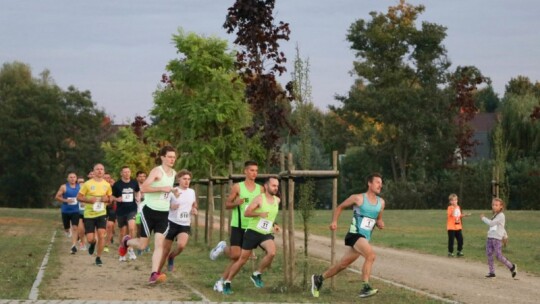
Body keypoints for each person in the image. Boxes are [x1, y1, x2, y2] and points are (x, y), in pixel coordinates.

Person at [311, 173, 385, 299]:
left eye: (381, 183)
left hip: (364, 238)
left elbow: (378, 218)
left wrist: (380, 223)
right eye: (377, 182)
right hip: (355, 234)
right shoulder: (358, 198)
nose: (380, 185)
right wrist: (334, 221)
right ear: (369, 183)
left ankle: (319, 279)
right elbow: (340, 207)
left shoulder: (381, 203)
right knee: (371, 256)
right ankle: (365, 287)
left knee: (342, 265)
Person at [118, 146, 177, 284]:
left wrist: (174, 191)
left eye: (174, 157)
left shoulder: (173, 173)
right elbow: (143, 188)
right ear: (162, 157)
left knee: (159, 244)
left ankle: (153, 274)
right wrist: (162, 188)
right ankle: (126, 242)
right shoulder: (157, 171)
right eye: (169, 156)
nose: (172, 159)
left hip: (163, 213)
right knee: (143, 245)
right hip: (149, 212)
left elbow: (167, 189)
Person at [210, 160, 263, 292]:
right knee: (235, 256)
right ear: (245, 171)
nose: (254, 173)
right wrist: (236, 203)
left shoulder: (260, 189)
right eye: (252, 170)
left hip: (252, 227)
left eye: (256, 171)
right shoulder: (238, 187)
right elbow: (227, 204)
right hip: (238, 225)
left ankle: (222, 282)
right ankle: (223, 248)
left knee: (240, 259)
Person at [222, 177, 281, 295]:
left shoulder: (277, 200)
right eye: (273, 185)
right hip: (253, 232)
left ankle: (257, 274)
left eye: (277, 186)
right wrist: (260, 213)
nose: (276, 188)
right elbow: (247, 212)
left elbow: (270, 216)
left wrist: (274, 225)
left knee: (272, 252)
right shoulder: (259, 199)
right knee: (242, 260)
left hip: (265, 233)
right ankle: (227, 282)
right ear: (266, 186)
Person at [157, 169, 197, 273]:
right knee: (165, 251)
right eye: (184, 179)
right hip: (171, 222)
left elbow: (193, 203)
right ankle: (157, 272)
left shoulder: (192, 192)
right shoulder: (173, 191)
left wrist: (194, 208)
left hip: (184, 224)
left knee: (181, 246)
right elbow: (163, 204)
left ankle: (172, 257)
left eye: (188, 179)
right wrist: (171, 206)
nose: (187, 181)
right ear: (179, 179)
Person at [77, 163, 113, 266]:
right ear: (93, 171)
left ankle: (98, 257)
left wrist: (108, 199)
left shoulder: (107, 184)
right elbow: (79, 197)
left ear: (104, 171)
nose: (100, 171)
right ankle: (92, 243)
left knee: (101, 235)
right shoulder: (87, 184)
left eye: (102, 169)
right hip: (89, 214)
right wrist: (89, 200)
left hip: (101, 213)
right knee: (90, 238)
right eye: (97, 169)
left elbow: (110, 199)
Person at [480, 198, 517, 279]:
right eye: (493, 205)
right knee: (489, 254)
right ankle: (492, 272)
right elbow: (500, 227)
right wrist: (505, 235)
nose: (494, 206)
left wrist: (483, 218)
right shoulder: (495, 215)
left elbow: (491, 223)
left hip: (496, 239)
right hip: (490, 237)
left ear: (501, 206)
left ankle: (511, 266)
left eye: (496, 205)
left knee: (498, 256)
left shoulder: (501, 215)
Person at [112, 166, 141, 262]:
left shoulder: (134, 182)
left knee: (132, 228)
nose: (127, 174)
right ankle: (122, 252)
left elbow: (138, 191)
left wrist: (138, 197)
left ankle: (131, 248)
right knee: (123, 232)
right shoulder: (117, 184)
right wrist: (117, 199)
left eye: (128, 172)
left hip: (132, 209)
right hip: (121, 210)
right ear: (121, 173)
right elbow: (112, 196)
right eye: (124, 172)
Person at [55, 172, 81, 254]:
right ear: (68, 179)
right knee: (67, 227)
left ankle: (73, 246)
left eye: (74, 177)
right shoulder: (64, 187)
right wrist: (66, 200)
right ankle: (67, 231)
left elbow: (84, 196)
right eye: (71, 177)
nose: (72, 179)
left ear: (76, 178)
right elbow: (57, 197)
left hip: (75, 211)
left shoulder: (80, 187)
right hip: (65, 210)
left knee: (75, 228)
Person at [104, 172, 117, 253]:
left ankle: (107, 244)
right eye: (105, 177)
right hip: (101, 209)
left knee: (110, 225)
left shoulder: (114, 188)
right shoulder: (99, 187)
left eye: (108, 177)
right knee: (103, 227)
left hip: (112, 209)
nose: (106, 179)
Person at [76, 177, 87, 251]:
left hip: (88, 213)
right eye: (79, 182)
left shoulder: (88, 190)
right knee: (80, 229)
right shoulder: (75, 191)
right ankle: (83, 243)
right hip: (78, 212)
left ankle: (83, 241)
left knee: (87, 230)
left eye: (82, 182)